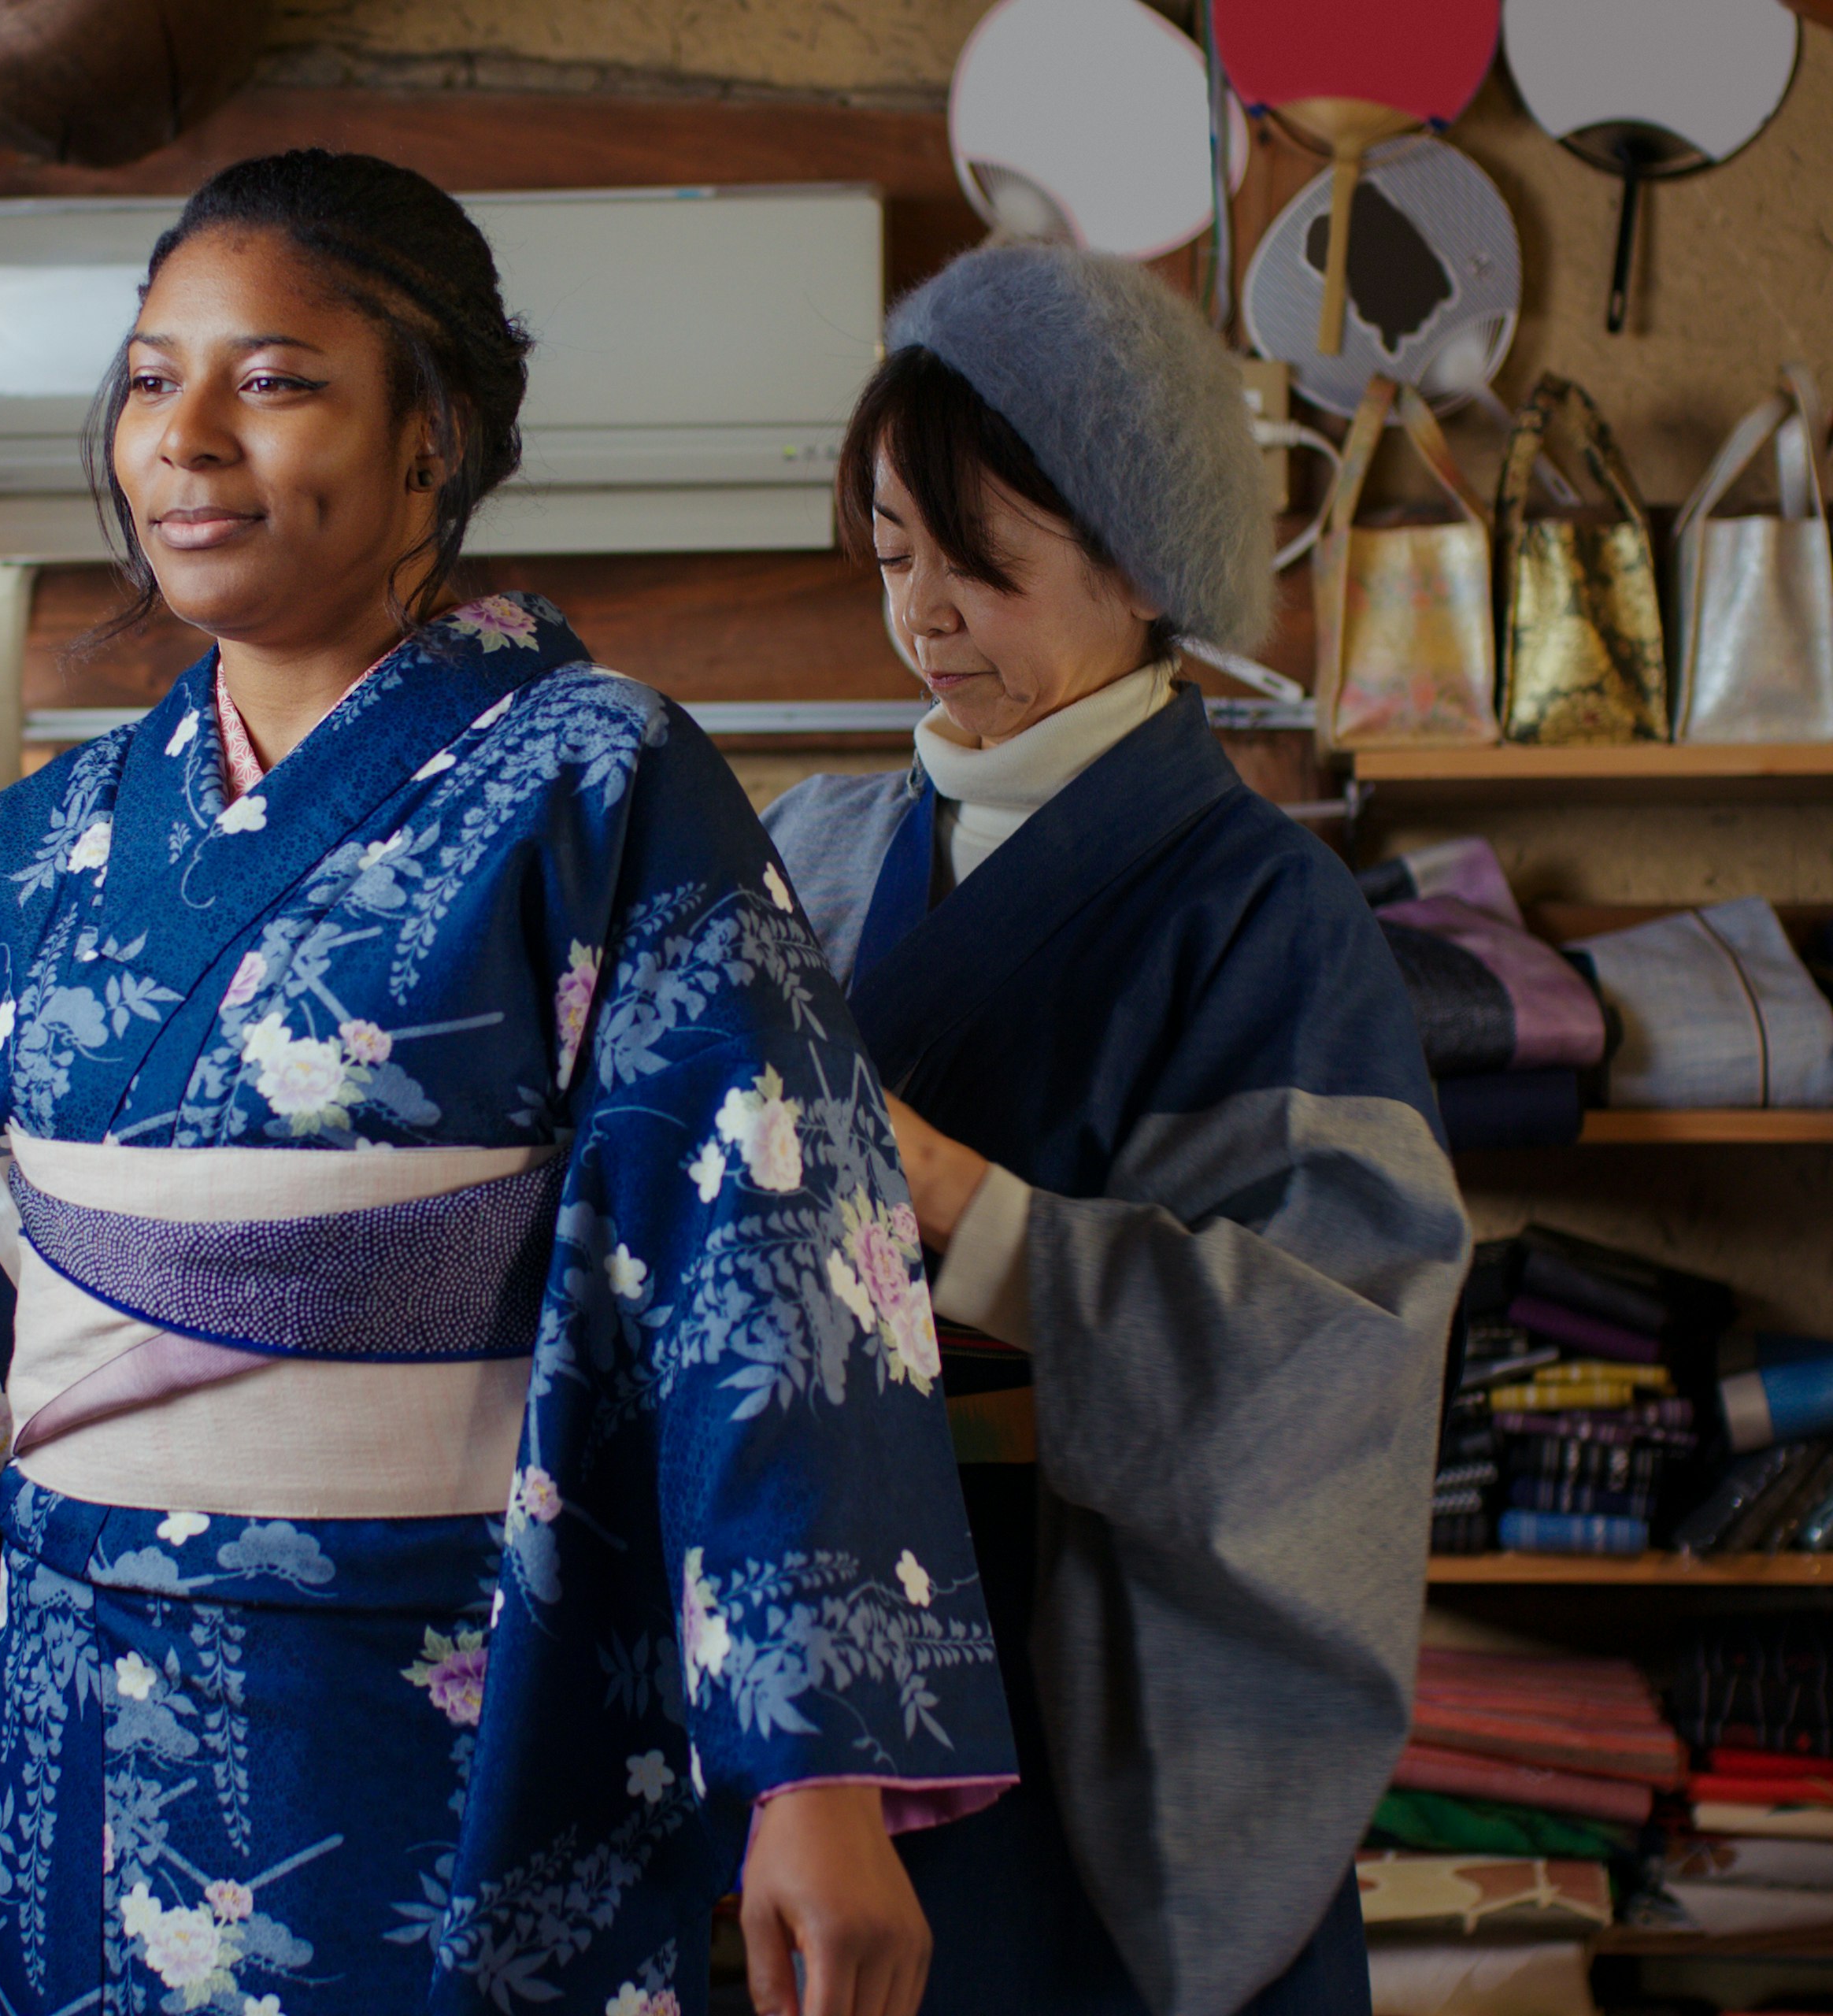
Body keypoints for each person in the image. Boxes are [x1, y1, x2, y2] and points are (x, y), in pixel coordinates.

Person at [0, 150, 1016, 2016]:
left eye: (271, 379)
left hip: (445, 1700)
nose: (182, 435)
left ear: (433, 433)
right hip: (80, 1713)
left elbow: (765, 1236)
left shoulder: (595, 777)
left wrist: (814, 1774)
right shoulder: (48, 840)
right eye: (151, 377)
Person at [759, 245, 1471, 2016]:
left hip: (1088, 1683)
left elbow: (1331, 1367)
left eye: (978, 565)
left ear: (1143, 564)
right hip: (819, 1690)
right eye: (895, 557)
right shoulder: (809, 853)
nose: (926, 620)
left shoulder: (1267, 912)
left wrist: (961, 1203)